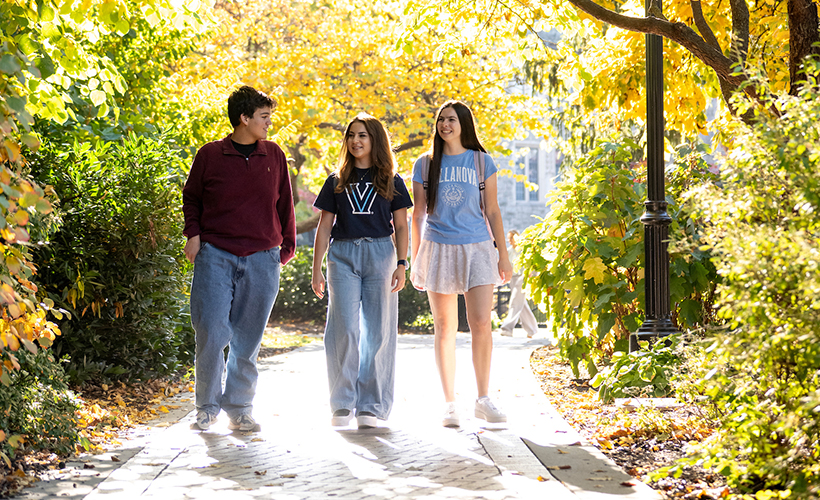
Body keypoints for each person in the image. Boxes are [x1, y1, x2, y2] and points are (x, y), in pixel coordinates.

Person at [182, 85, 296, 432]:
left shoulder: (274, 155)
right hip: (216, 256)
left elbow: (285, 204)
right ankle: (206, 407)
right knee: (212, 333)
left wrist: (285, 248)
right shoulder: (210, 155)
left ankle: (240, 407)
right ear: (244, 118)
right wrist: (193, 235)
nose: (268, 123)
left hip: (262, 258)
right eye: (263, 117)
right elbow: (192, 198)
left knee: (248, 339)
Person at [410, 100, 512, 427]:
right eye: (441, 120)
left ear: (463, 123)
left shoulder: (482, 162)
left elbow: (493, 211)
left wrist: (503, 254)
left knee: (482, 322)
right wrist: (415, 259)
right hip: (438, 247)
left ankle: (483, 399)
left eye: (451, 119)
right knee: (444, 328)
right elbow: (419, 215)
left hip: (479, 247)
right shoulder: (425, 165)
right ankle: (450, 403)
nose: (445, 125)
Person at [311, 113, 412, 429]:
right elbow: (324, 225)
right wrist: (317, 269)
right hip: (342, 255)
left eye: (363, 135)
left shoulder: (392, 179)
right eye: (351, 135)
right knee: (344, 329)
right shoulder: (336, 179)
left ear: (375, 141)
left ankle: (371, 405)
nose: (355, 140)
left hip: (381, 254)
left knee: (378, 330)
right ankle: (342, 403)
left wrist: (401, 263)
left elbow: (402, 225)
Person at [499, 230, 539, 338]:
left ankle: (507, 328)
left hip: (523, 277)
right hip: (513, 279)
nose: (509, 241)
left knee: (515, 302)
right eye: (508, 238)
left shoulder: (524, 250)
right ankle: (532, 329)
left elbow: (532, 262)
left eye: (511, 238)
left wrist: (532, 273)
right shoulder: (508, 251)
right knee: (521, 304)